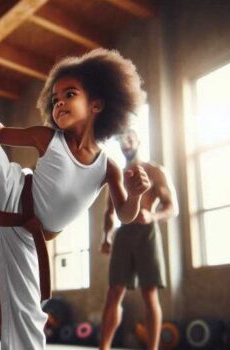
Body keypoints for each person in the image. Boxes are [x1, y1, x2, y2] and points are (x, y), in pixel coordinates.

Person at [0, 1, 150, 348]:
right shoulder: (48, 137)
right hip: (13, 193)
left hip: (29, 238)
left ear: (97, 104)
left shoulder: (108, 165)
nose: (59, 103)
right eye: (55, 99)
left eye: (70, 95)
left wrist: (136, 194)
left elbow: (126, 214)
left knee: (30, 314)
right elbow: (0, 134)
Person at [99, 129, 178, 350]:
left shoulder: (155, 171)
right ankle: (103, 347)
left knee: (149, 292)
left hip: (147, 232)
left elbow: (172, 207)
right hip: (123, 233)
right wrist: (105, 237)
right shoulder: (118, 174)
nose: (126, 143)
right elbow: (109, 211)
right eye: (122, 140)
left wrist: (153, 215)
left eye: (130, 139)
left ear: (138, 141)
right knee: (114, 291)